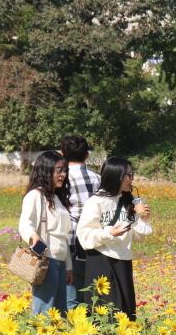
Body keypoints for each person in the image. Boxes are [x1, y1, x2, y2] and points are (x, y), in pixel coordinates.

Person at [76, 157, 152, 321]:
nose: (132, 179)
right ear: (115, 176)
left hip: (123, 261)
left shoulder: (129, 201)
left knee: (125, 311)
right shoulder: (95, 202)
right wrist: (109, 233)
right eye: (128, 175)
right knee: (105, 312)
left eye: (132, 174)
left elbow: (138, 235)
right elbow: (84, 235)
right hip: (101, 261)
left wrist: (142, 218)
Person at [18, 151, 73, 315]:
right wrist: (37, 243)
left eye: (64, 171)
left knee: (60, 313)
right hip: (46, 260)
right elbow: (25, 224)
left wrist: (68, 266)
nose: (62, 175)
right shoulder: (35, 196)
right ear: (46, 171)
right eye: (58, 170)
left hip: (61, 261)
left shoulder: (57, 198)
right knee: (44, 312)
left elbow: (64, 237)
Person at [60, 136, 101, 310]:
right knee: (93, 291)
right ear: (87, 155)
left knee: (71, 292)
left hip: (69, 239)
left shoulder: (62, 179)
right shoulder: (98, 179)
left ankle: (73, 330)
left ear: (62, 154)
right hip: (95, 240)